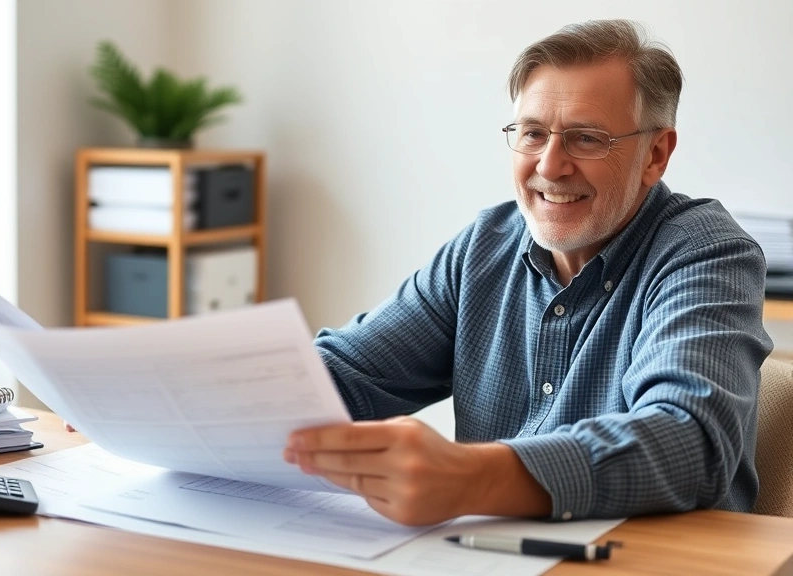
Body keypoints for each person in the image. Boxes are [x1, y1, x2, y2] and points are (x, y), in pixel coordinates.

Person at [282, 19, 774, 526]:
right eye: (533, 133)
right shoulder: (483, 247)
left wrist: (472, 478)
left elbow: (689, 443)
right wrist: (226, 400)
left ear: (655, 154)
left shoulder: (707, 253)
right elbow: (348, 374)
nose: (550, 165)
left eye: (586, 139)